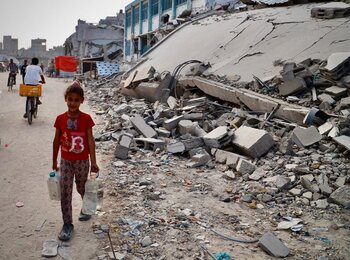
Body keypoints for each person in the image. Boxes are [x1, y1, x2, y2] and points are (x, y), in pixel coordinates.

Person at [52, 81, 99, 241]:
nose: (73, 103)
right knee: (65, 191)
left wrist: (93, 162)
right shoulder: (60, 119)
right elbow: (56, 140)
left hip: (82, 162)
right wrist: (54, 161)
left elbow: (91, 140)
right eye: (70, 99)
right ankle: (67, 224)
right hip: (65, 161)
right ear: (66, 99)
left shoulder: (86, 119)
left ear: (81, 101)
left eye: (76, 100)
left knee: (81, 187)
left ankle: (86, 207)